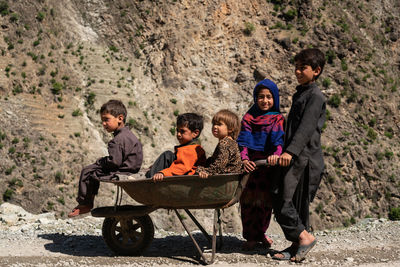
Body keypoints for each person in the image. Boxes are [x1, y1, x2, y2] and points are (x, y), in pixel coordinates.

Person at [272, 48, 326, 262]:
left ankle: (304, 238)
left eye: (302, 68)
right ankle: (296, 244)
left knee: (281, 196)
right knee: (293, 200)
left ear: (316, 70)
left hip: (304, 157)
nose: (297, 71)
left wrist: (289, 151)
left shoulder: (315, 96)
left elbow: (306, 128)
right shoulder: (301, 93)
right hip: (296, 156)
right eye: (296, 67)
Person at [68, 100, 143, 217]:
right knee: (93, 171)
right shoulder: (128, 135)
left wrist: (100, 161)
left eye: (106, 119)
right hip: (131, 168)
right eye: (102, 120)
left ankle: (85, 203)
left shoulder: (117, 140)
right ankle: (87, 202)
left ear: (120, 118)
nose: (103, 123)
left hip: (122, 170)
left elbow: (114, 162)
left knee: (88, 171)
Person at [236, 79, 285, 250]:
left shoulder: (278, 118)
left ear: (275, 99)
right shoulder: (249, 118)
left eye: (269, 97)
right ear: (255, 98)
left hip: (268, 168)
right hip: (250, 168)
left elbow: (279, 141)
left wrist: (276, 155)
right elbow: (243, 142)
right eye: (261, 97)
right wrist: (244, 160)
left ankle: (261, 234)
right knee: (248, 204)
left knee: (265, 205)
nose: (265, 101)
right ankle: (250, 237)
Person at [146, 113, 206, 181]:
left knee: (167, 155)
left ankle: (149, 180)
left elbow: (182, 167)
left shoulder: (192, 149)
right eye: (177, 130)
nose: (178, 134)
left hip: (186, 179)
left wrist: (163, 173)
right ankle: (152, 174)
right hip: (182, 174)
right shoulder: (188, 147)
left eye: (182, 131)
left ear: (195, 133)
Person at [196, 109, 243, 178]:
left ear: (230, 128)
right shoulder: (232, 142)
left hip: (226, 178)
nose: (215, 126)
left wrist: (206, 171)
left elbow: (220, 164)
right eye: (214, 124)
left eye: (219, 124)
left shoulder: (224, 143)